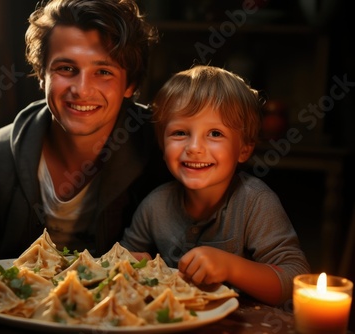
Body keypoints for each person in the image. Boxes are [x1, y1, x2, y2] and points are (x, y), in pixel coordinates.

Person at [0, 0, 169, 284]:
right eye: (66, 68)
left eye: (103, 72)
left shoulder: (163, 148)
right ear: (42, 75)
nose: (81, 89)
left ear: (130, 85)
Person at [120, 65, 310, 306]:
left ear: (244, 148)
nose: (195, 148)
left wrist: (231, 267)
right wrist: (130, 263)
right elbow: (122, 259)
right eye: (180, 133)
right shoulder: (155, 205)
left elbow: (295, 281)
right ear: (162, 143)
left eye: (215, 134)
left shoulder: (255, 202)